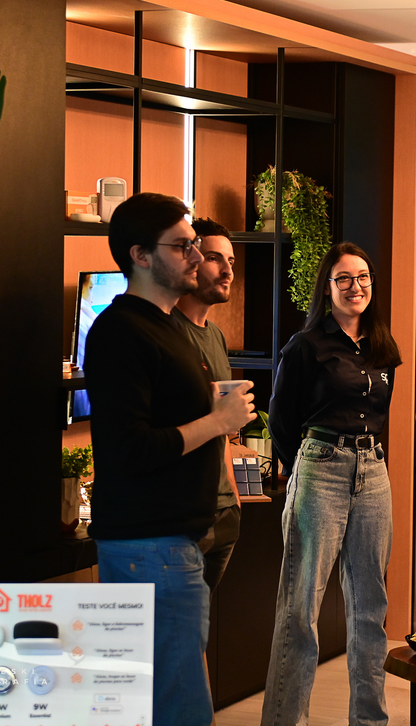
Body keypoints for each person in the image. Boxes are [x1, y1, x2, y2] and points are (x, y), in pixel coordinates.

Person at [85, 193, 255, 726]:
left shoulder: (171, 327)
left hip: (174, 539)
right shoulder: (120, 331)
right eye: (183, 247)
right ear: (140, 255)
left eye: (195, 245)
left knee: (166, 699)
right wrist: (218, 422)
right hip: (149, 544)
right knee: (180, 706)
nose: (197, 257)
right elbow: (130, 448)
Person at [262, 242, 402, 726]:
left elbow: (381, 414)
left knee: (370, 609)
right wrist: (305, 464)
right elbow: (281, 421)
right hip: (321, 466)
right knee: (301, 607)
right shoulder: (306, 345)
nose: (355, 286)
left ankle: (369, 720)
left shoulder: (382, 345)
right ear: (327, 287)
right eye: (344, 278)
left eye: (363, 277)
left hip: (374, 473)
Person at [171, 216, 243, 593]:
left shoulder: (215, 335)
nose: (227, 270)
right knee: (173, 623)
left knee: (198, 622)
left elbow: (224, 426)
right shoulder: (167, 333)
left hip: (223, 512)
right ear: (190, 260)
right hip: (183, 517)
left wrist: (233, 496)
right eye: (215, 258)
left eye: (230, 260)